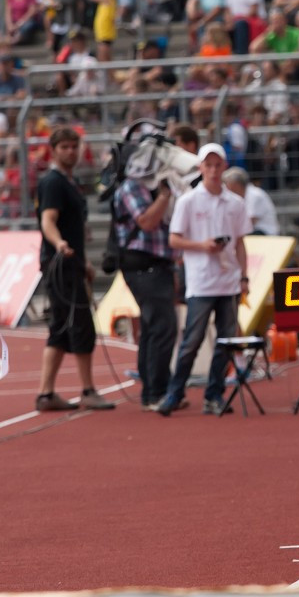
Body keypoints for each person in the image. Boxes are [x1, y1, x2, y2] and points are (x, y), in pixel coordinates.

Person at [158, 144, 252, 416]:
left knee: (225, 341)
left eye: (217, 165)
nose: (212, 170)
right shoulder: (188, 201)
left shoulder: (235, 203)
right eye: (207, 165)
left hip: (229, 280)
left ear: (223, 167)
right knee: (192, 340)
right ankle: (175, 393)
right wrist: (203, 246)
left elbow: (240, 244)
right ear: (201, 168)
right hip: (201, 280)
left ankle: (214, 394)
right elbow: (174, 239)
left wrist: (244, 277)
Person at [35, 126, 115, 412]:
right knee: (81, 325)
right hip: (61, 264)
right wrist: (59, 244)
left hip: (72, 263)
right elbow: (48, 220)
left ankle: (46, 394)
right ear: (53, 150)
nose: (71, 151)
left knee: (60, 327)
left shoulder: (71, 182)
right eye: (65, 147)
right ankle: (88, 390)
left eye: (74, 146)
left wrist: (84, 263)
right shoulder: (54, 183)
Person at [113, 151, 179, 411]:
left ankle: (153, 390)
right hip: (142, 265)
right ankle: (157, 392)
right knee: (163, 327)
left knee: (154, 328)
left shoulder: (151, 187)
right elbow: (147, 221)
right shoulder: (132, 187)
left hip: (158, 265)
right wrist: (164, 196)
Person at [223, 166, 280, 235]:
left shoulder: (254, 195)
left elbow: (249, 222)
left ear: (237, 184)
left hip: (265, 232)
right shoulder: (241, 196)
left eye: (228, 183)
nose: (227, 188)